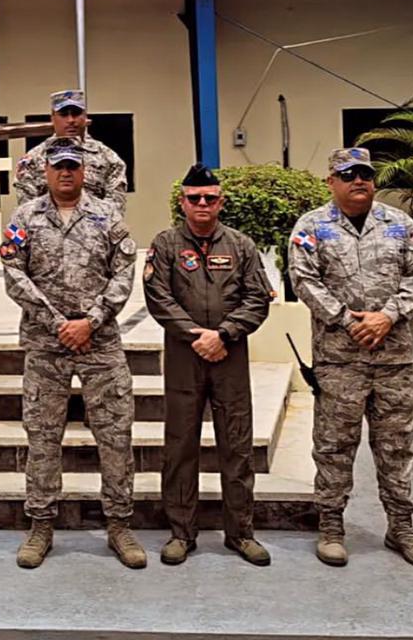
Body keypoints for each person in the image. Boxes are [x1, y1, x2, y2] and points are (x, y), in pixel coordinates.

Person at [288, 147, 413, 569]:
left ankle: (401, 526)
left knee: (395, 446)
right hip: (339, 359)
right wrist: (347, 320)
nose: (359, 181)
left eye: (365, 174)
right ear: (331, 181)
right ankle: (332, 525)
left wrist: (388, 316)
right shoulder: (312, 227)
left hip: (393, 359)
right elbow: (302, 278)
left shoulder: (399, 224)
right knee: (334, 445)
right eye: (348, 174)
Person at [0, 139, 144, 570]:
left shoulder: (107, 216)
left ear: (84, 171)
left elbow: (124, 271)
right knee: (43, 439)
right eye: (58, 166)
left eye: (72, 166)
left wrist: (91, 320)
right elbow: (13, 272)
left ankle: (119, 524)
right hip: (46, 346)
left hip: (100, 345)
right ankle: (41, 524)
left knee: (115, 437)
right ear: (45, 172)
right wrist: (58, 321)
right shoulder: (24, 217)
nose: (65, 173)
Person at [143, 163, 273, 567]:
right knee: (180, 445)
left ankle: (241, 533)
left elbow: (258, 296)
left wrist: (225, 333)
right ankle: (181, 533)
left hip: (230, 355)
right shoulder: (165, 245)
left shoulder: (241, 245)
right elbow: (157, 296)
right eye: (194, 198)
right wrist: (198, 335)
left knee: (236, 444)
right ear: (182, 202)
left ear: (221, 202)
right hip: (185, 355)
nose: (202, 204)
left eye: (210, 198)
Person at [14, 89, 127, 217]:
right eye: (63, 114)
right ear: (52, 117)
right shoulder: (32, 160)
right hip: (46, 233)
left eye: (76, 113)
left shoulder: (109, 159)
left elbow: (115, 212)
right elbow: (27, 212)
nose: (71, 120)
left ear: (85, 116)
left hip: (95, 233)